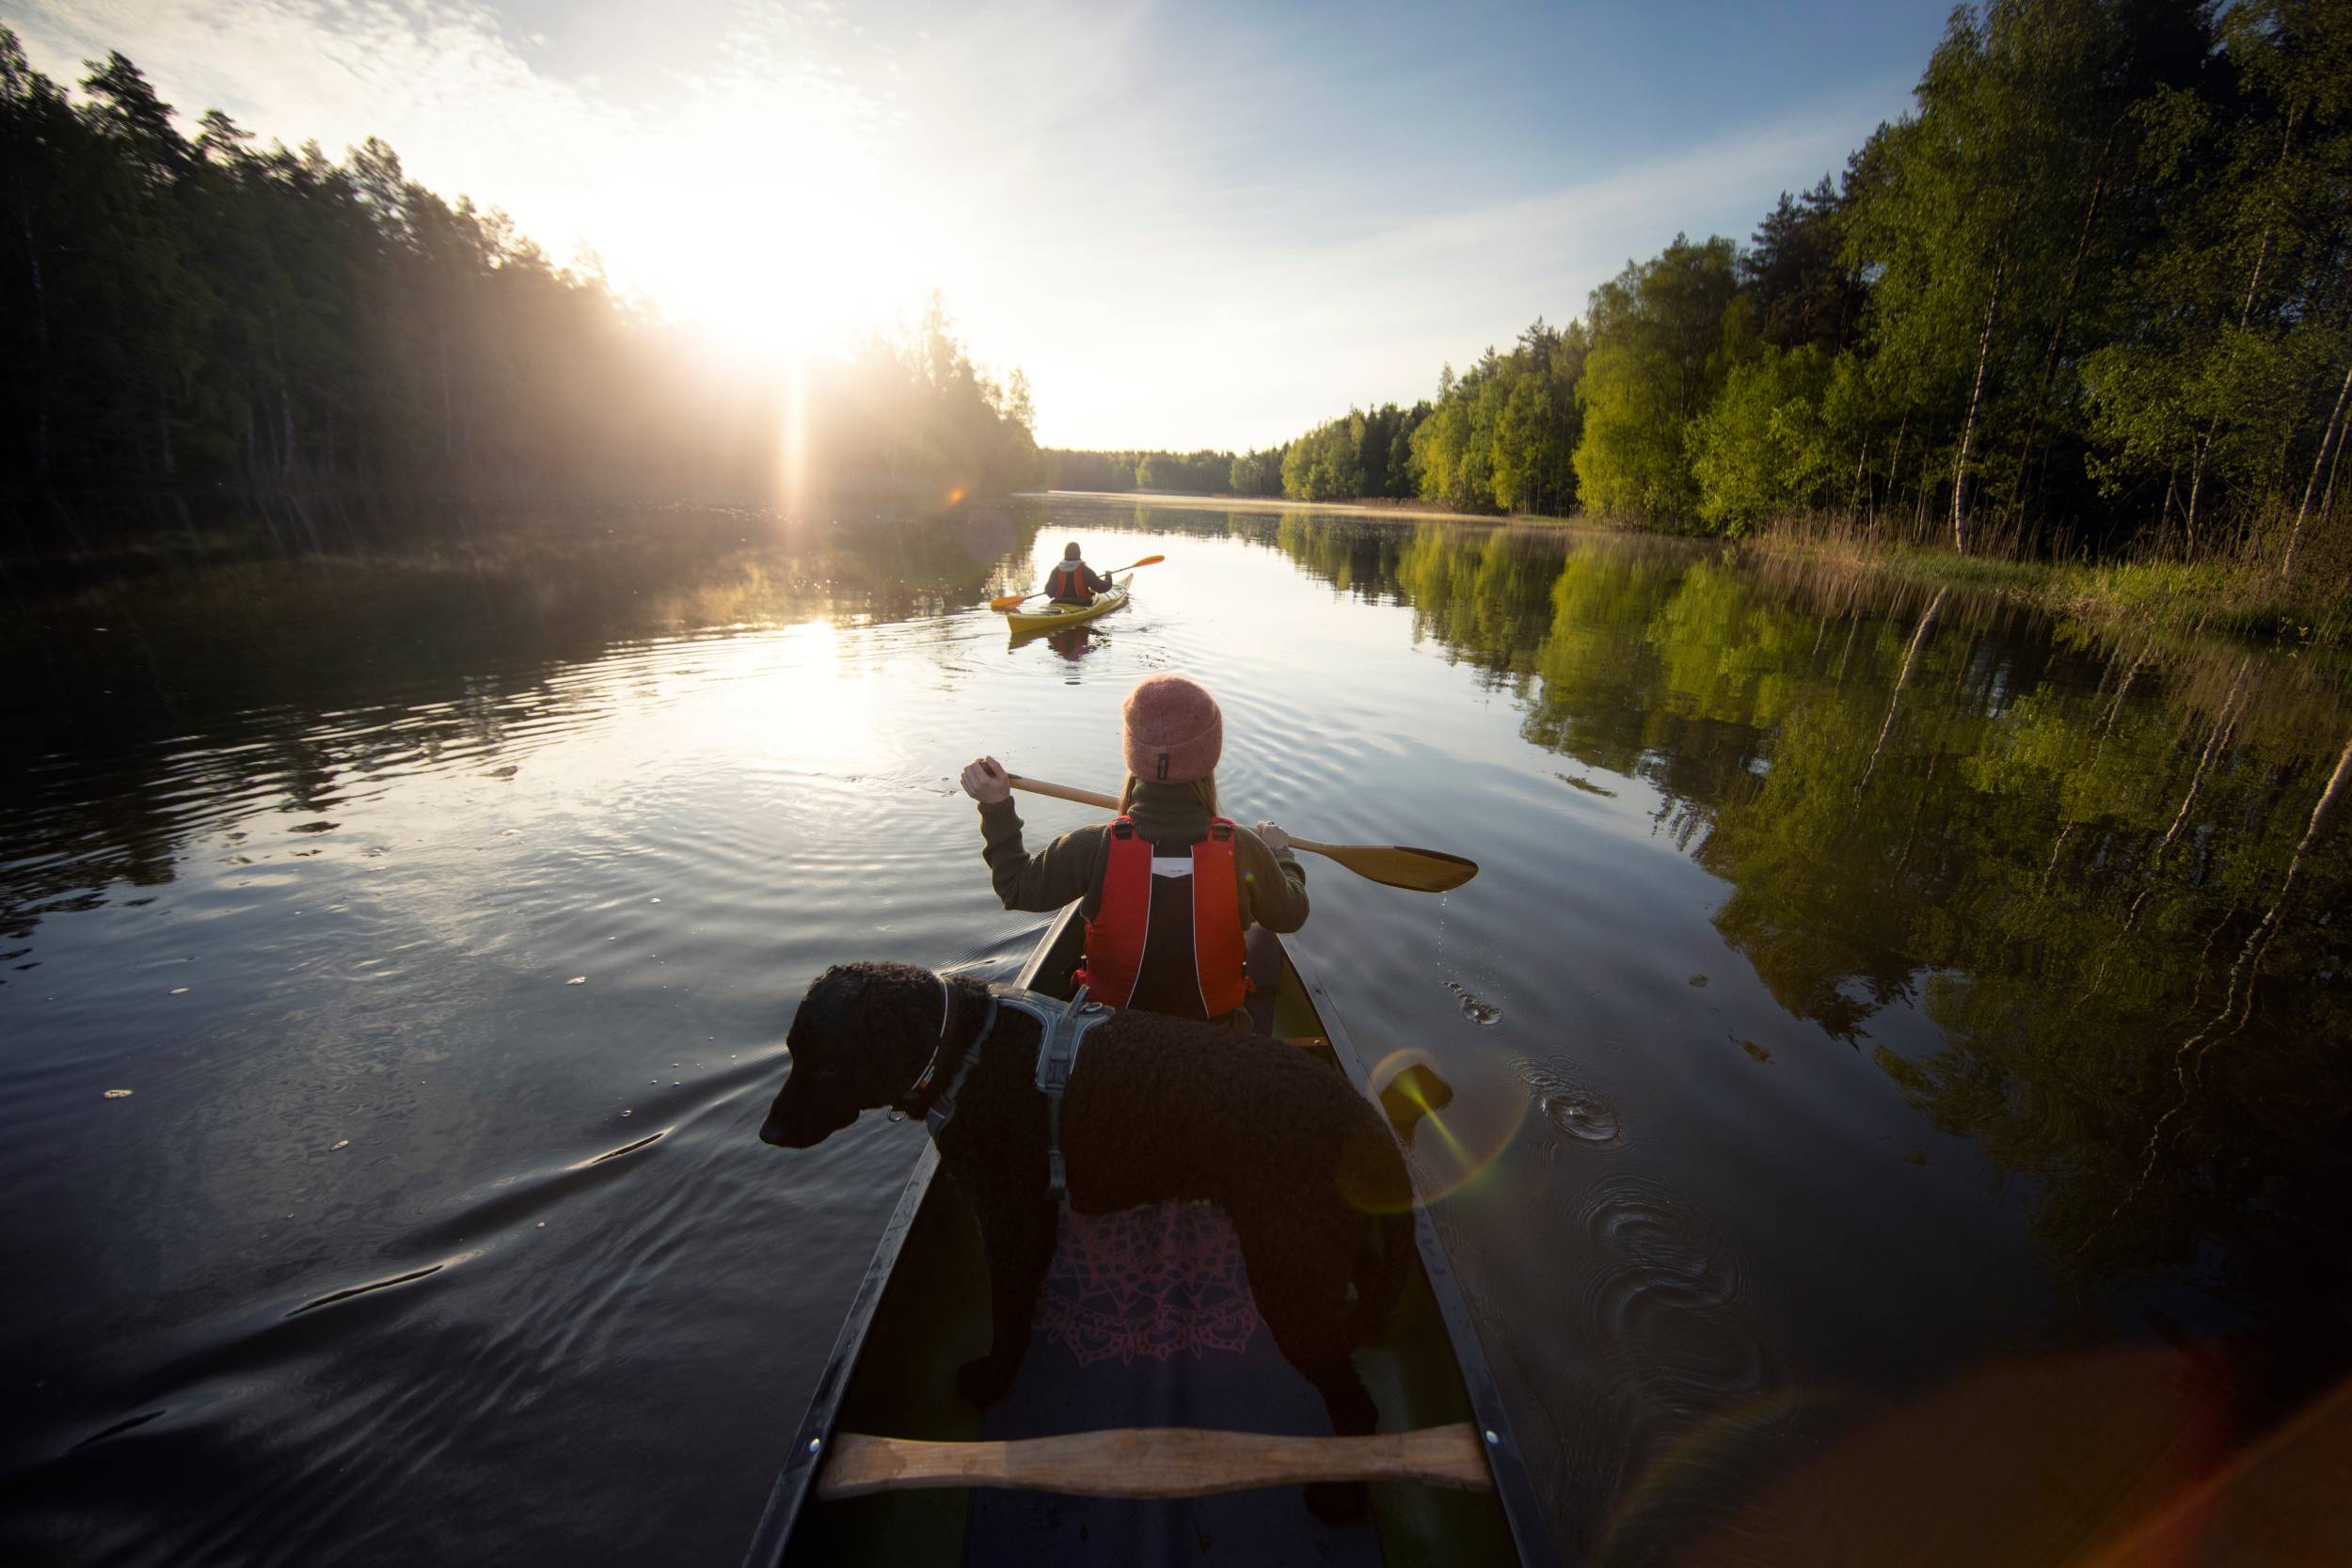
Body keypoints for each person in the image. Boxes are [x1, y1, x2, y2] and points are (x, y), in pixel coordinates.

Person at [960, 673, 1307, 1028]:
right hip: (1211, 1040)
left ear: (1133, 755)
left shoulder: (1093, 847)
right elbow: (1290, 916)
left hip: (1109, 1034)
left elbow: (1015, 887)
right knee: (1265, 936)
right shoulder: (1246, 849)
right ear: (1209, 757)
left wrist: (996, 806)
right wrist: (1280, 855)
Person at [1045, 542, 1111, 606]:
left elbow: (1049, 592)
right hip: (1081, 603)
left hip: (1059, 602)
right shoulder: (1085, 571)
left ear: (1065, 554)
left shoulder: (1056, 570)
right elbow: (1101, 588)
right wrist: (1108, 577)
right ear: (1079, 553)